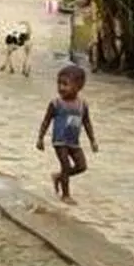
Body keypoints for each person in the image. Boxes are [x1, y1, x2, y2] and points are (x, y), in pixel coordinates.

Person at [36, 63, 98, 205]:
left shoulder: (82, 105)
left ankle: (58, 177)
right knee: (65, 165)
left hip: (74, 141)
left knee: (82, 166)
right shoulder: (56, 103)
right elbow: (46, 121)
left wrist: (93, 141)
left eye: (65, 84)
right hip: (59, 140)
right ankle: (65, 195)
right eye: (59, 83)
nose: (61, 88)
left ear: (78, 86)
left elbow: (87, 123)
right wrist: (40, 138)